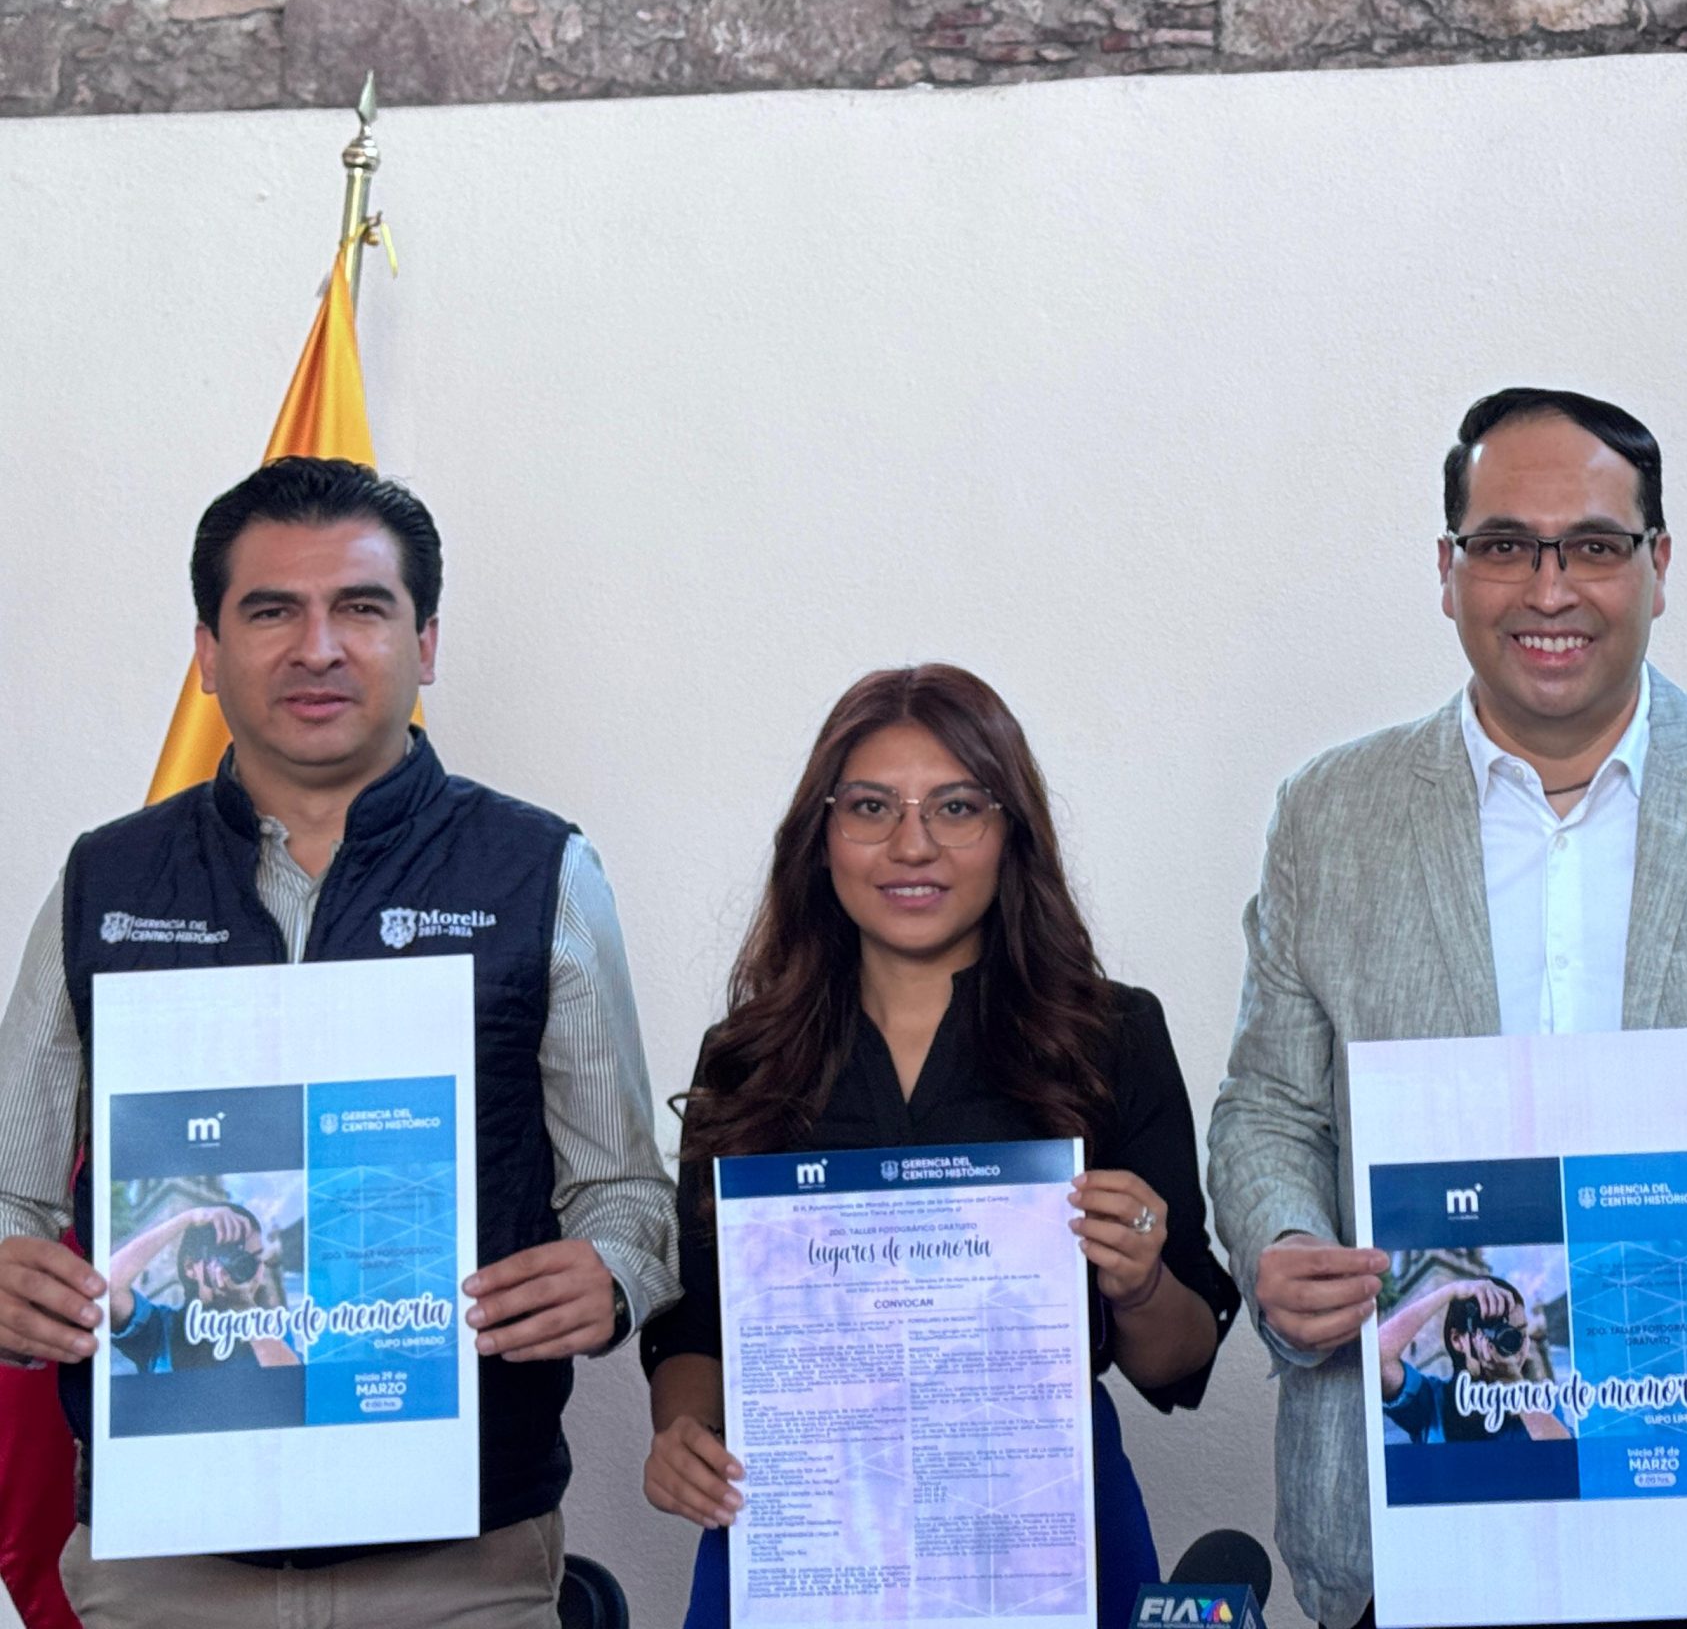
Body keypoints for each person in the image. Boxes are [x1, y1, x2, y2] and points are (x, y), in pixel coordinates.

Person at [1206, 387, 1687, 1629]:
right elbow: (1266, 1108)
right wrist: (1279, 1243)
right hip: (1422, 1495)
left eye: (1592, 545)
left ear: (1657, 565)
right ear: (1448, 568)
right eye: (1504, 546)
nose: (1548, 588)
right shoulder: (1330, 814)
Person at [0, 456, 678, 1627]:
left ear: (425, 645)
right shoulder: (103, 880)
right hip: (163, 1564)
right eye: (272, 611)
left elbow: (625, 1193)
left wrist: (612, 1275)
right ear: (208, 654)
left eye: (361, 607)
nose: (318, 647)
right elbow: (6, 1201)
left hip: (461, 1562)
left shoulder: (540, 873)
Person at [640, 663, 1240, 1629]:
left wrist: (1136, 1282)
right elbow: (699, 1322)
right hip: (799, 1539)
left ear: (1011, 833)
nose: (910, 844)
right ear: (821, 835)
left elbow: (1179, 1359)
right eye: (871, 806)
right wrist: (679, 1432)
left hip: (1046, 1534)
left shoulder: (1110, 1035)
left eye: (957, 806)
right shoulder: (746, 1059)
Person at [106, 1203, 297, 1372]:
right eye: (232, 1256)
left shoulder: (273, 1329)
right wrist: (188, 1218)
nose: (245, 1269)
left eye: (254, 1260)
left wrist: (246, 1311)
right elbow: (106, 1288)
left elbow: (293, 1388)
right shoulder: (161, 1329)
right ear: (190, 1267)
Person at [1377, 1275, 1568, 1444]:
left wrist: (1514, 1385)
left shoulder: (1542, 1403)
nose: (1513, 1346)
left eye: (1520, 1334)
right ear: (1458, 1339)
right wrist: (1451, 1291)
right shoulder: (1433, 1402)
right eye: (1499, 1332)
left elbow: (1568, 1463)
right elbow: (1376, 1358)